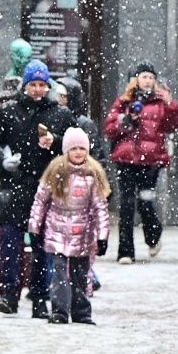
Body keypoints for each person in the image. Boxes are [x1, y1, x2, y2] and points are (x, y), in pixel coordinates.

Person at [0, 60, 74, 313]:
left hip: (45, 187)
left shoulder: (60, 114)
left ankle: (40, 296)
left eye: (42, 85)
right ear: (24, 86)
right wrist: (2, 157)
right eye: (32, 84)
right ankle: (9, 293)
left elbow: (75, 148)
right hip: (14, 186)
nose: (37, 90)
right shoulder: (7, 112)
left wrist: (54, 143)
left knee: (43, 243)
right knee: (10, 242)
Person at [29, 128, 111, 325]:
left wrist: (102, 235)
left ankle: (81, 311)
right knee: (59, 275)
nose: (78, 152)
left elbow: (100, 207)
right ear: (66, 150)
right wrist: (34, 228)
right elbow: (40, 202)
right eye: (73, 148)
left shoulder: (93, 174)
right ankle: (59, 310)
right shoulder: (56, 171)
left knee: (81, 275)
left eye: (82, 148)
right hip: (56, 230)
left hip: (83, 233)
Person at [105, 62, 178, 264]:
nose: (147, 81)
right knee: (127, 205)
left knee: (146, 202)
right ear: (136, 79)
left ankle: (153, 234)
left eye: (150, 77)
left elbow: (173, 125)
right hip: (126, 159)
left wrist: (171, 104)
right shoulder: (124, 101)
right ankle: (125, 251)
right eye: (143, 77)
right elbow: (110, 128)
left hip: (151, 161)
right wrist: (126, 121)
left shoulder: (160, 102)